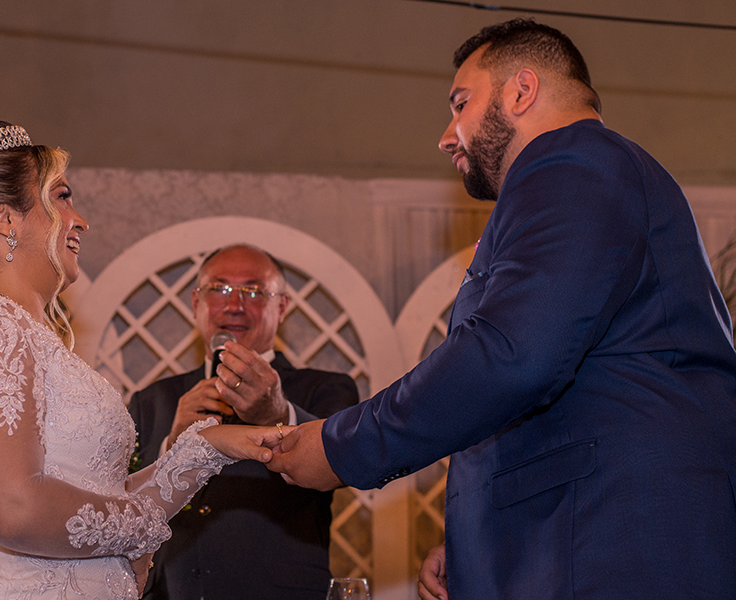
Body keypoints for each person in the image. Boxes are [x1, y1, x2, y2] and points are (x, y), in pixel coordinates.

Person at [268, 18, 736, 600]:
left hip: (611, 543)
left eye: (460, 103)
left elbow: (511, 357)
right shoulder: (583, 176)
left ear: (521, 90)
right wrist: (475, 532)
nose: (447, 134)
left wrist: (341, 448)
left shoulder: (573, 162)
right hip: (567, 534)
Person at [0, 120, 283, 599]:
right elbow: (16, 508)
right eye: (62, 196)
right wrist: (143, 528)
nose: (80, 220)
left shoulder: (13, 330)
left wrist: (205, 450)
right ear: (5, 218)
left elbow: (81, 504)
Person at [129, 244, 359, 600]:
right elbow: (121, 508)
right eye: (219, 290)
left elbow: (344, 463)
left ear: (281, 307)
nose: (234, 305)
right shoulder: (151, 400)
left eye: (253, 292)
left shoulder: (326, 388)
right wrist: (171, 448)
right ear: (195, 303)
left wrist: (278, 414)